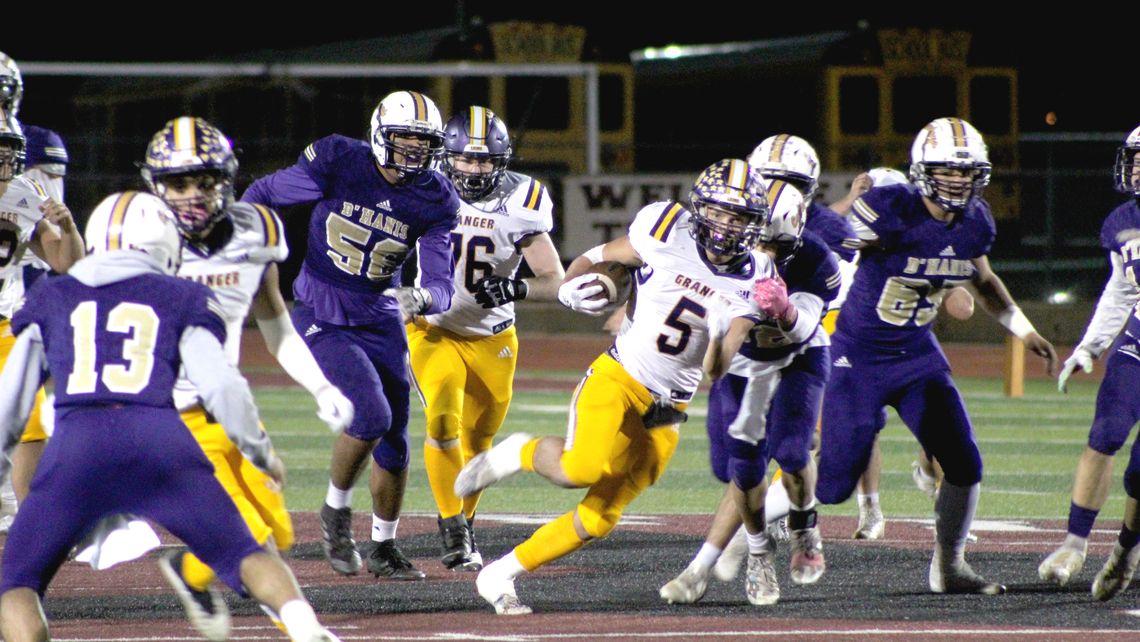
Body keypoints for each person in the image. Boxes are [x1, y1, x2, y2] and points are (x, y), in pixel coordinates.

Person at [0, 191, 341, 642]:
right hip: (161, 440)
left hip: (78, 444)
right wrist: (258, 451)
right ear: (165, 242)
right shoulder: (181, 295)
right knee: (247, 552)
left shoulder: (53, 296)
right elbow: (221, 384)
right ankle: (303, 625)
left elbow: (11, 403)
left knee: (17, 584)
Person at [453, 158, 776, 615]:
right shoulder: (666, 227)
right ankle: (515, 453)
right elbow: (602, 254)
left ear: (754, 224)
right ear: (700, 208)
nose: (726, 226)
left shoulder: (758, 275)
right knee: (579, 469)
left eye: (738, 217)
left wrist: (722, 333)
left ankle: (499, 574)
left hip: (670, 405)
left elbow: (716, 371)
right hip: (620, 375)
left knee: (600, 517)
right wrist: (569, 285)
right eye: (719, 213)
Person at [815, 117, 1057, 595]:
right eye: (948, 171)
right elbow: (828, 240)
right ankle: (748, 532)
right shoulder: (890, 208)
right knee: (833, 486)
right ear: (923, 170)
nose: (958, 181)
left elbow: (984, 281)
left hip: (916, 355)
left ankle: (949, 566)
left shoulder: (974, 222)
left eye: (967, 173)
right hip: (860, 354)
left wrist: (1024, 330)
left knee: (964, 462)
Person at [135, 116, 352, 638]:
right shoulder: (139, 239)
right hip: (167, 417)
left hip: (229, 410)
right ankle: (303, 627)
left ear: (226, 181)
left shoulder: (256, 232)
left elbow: (275, 320)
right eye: (179, 183)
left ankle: (189, 571)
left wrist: (321, 385)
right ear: (156, 186)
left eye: (204, 181)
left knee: (278, 530)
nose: (191, 195)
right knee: (248, 536)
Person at [242, 90, 460, 580]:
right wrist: (245, 243)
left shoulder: (435, 196)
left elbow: (443, 284)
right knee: (370, 414)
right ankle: (335, 512)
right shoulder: (340, 159)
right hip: (321, 306)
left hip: (381, 315)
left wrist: (420, 299)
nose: (414, 150)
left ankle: (384, 546)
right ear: (381, 134)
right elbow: (262, 195)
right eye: (404, 137)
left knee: (396, 442)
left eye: (423, 141)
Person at [659, 178, 839, 606]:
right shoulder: (718, 252)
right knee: (741, 469)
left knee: (794, 451)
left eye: (773, 245)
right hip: (742, 367)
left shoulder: (816, 258)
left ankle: (804, 522)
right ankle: (759, 550)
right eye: (754, 238)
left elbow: (804, 329)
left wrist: (785, 308)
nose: (762, 254)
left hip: (798, 359)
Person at [409, 106, 564, 571]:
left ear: (502, 160)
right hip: (432, 329)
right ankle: (452, 525)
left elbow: (555, 280)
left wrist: (516, 287)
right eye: (465, 159)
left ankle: (465, 526)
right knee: (441, 419)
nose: (474, 169)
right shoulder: (422, 190)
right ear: (447, 156)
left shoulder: (523, 200)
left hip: (493, 337)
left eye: (484, 161)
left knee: (479, 445)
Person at [1039, 124, 1140, 600]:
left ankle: (1124, 550)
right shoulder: (1123, 220)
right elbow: (1122, 288)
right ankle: (1073, 544)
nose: (1137, 167)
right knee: (1104, 435)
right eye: (1137, 157)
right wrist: (1090, 346)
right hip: (1137, 347)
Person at [0, 52, 74, 531]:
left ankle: (31, 522)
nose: (4, 158)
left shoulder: (22, 190)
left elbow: (65, 260)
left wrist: (64, 226)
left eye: (8, 149)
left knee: (29, 419)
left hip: (8, 313)